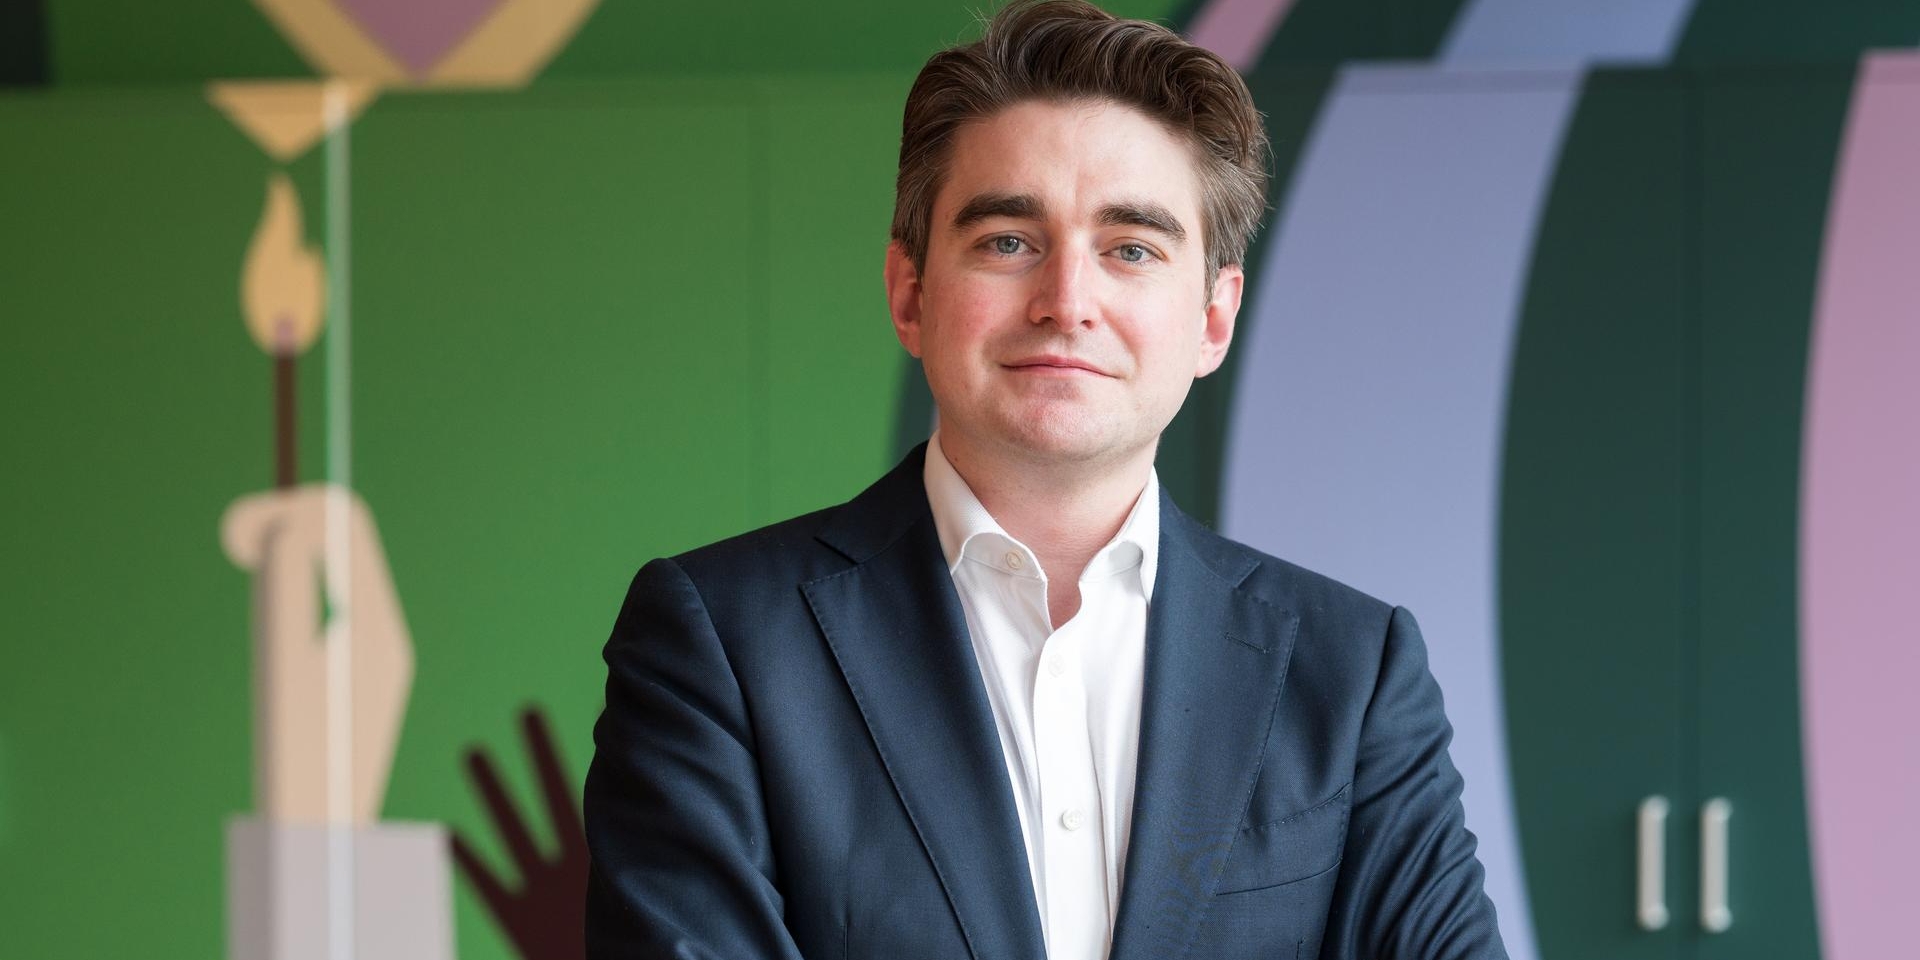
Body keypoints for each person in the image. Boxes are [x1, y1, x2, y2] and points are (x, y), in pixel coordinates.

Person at [582, 2, 1508, 958]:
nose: (1067, 302)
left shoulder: (1351, 673)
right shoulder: (719, 643)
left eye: (1131, 249)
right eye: (1008, 242)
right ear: (910, 292)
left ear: (1213, 320)